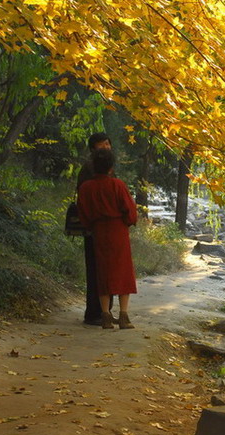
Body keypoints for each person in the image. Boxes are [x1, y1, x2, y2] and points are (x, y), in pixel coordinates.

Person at [77, 148, 138, 329]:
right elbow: (130, 210)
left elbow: (83, 213)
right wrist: (128, 222)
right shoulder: (118, 185)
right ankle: (123, 315)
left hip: (99, 232)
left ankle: (105, 315)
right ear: (111, 167)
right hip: (118, 231)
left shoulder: (86, 187)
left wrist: (91, 226)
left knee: (102, 272)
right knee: (122, 271)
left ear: (93, 167)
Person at [77, 133, 114, 325]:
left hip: (105, 227)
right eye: (102, 144)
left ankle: (105, 312)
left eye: (108, 143)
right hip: (94, 226)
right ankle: (94, 313)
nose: (107, 147)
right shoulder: (90, 169)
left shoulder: (107, 167)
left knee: (106, 269)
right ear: (93, 149)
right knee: (96, 270)